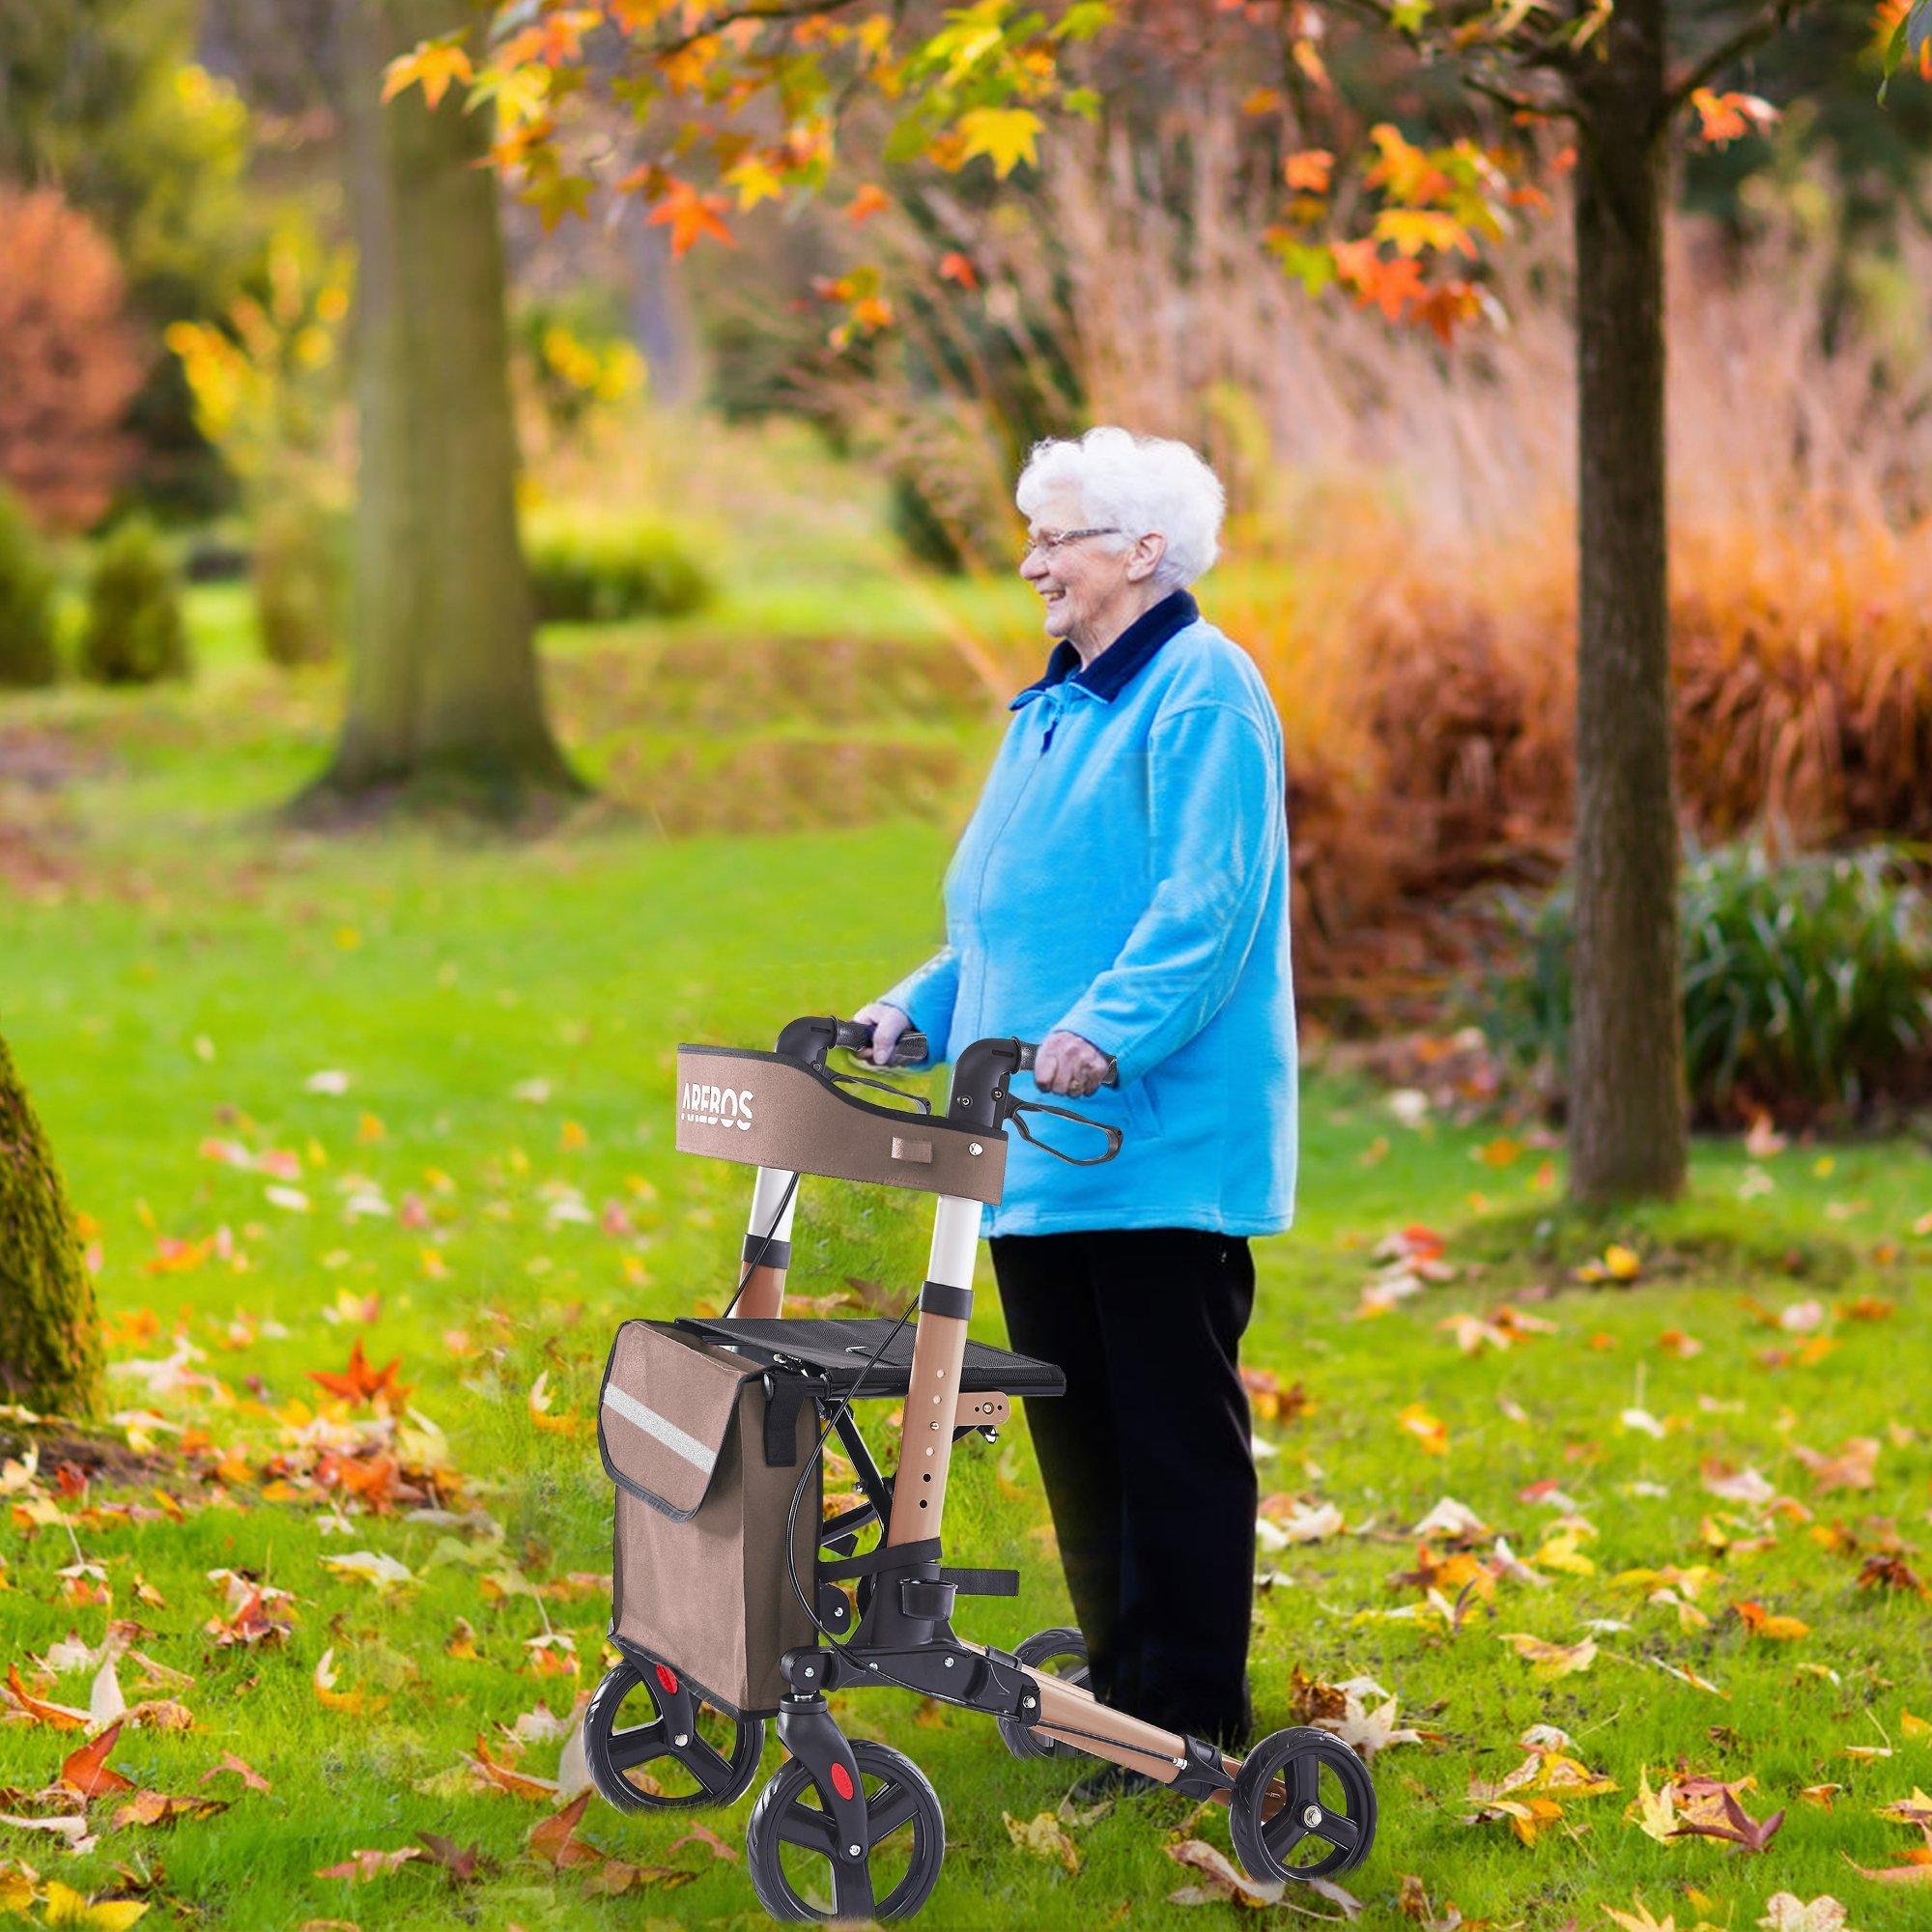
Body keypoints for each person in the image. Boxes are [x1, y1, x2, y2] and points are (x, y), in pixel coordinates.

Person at [855, 425, 1296, 1800]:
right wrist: (911, 1012)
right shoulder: (1053, 712)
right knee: (1082, 1438)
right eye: (1035, 535)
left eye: (1059, 536)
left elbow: (1205, 906)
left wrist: (1106, 1031)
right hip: (1035, 1143)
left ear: (1143, 553)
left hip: (1153, 1141)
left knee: (1167, 1436)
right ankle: (1121, 1698)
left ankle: (1190, 1720)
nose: (1034, 560)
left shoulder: (1201, 693)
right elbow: (1000, 921)